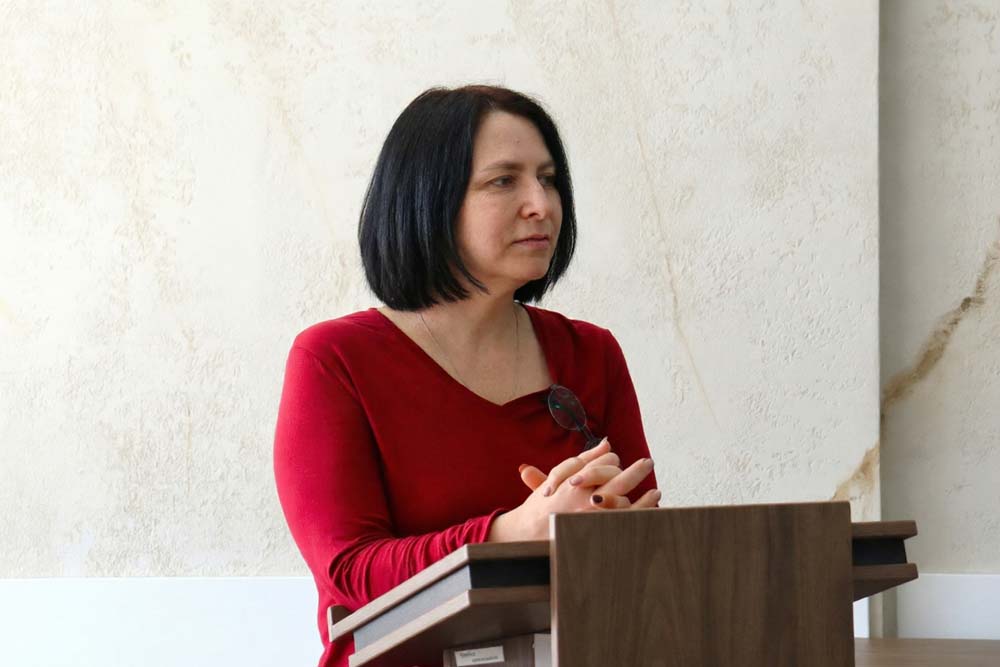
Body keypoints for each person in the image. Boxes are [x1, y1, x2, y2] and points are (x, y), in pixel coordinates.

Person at [273, 85, 660, 667]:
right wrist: (515, 531)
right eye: (503, 181)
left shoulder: (592, 353)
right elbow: (350, 572)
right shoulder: (334, 359)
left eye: (549, 179)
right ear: (428, 201)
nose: (541, 204)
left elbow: (646, 547)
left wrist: (616, 530)